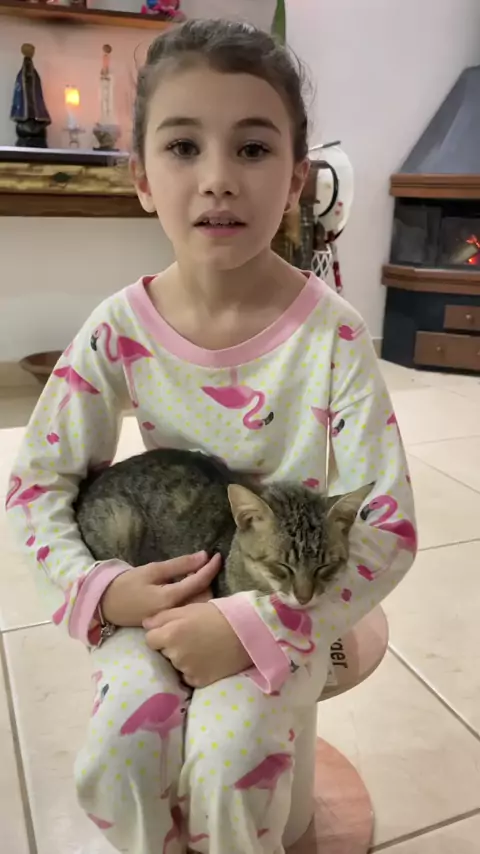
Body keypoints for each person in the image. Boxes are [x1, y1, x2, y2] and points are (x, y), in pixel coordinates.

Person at [6, 19, 416, 854]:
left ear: (296, 180)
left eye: (253, 149)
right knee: (119, 753)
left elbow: (391, 526)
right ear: (143, 178)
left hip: (282, 601)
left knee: (234, 763)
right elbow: (36, 483)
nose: (219, 178)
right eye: (184, 146)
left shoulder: (335, 336)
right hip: (153, 595)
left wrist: (258, 628)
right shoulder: (118, 328)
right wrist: (102, 592)